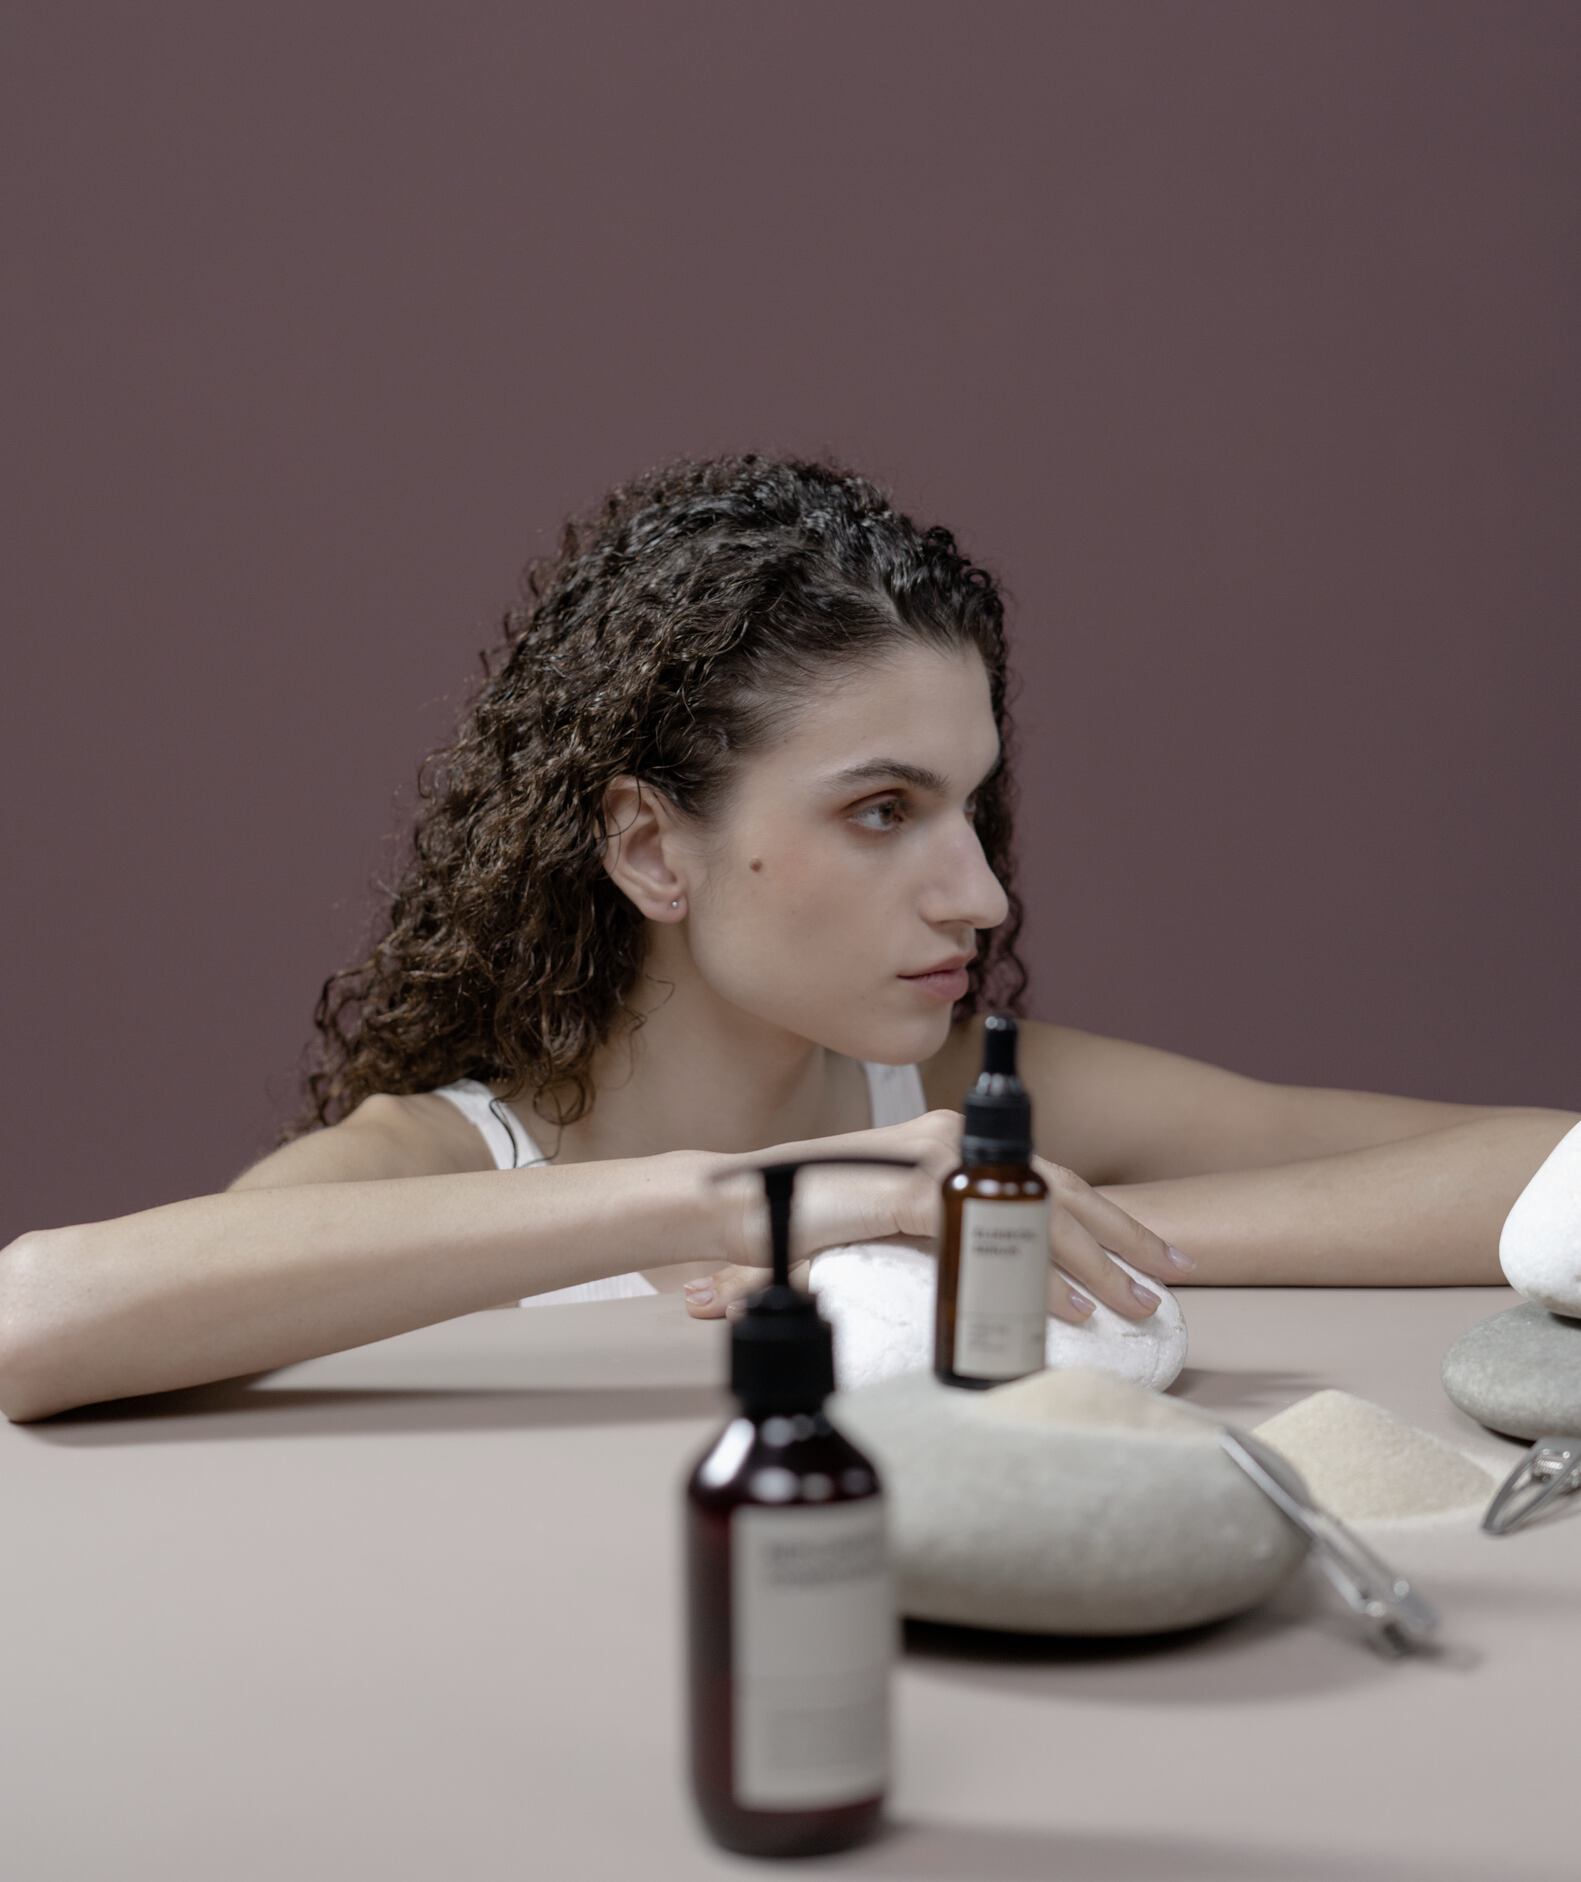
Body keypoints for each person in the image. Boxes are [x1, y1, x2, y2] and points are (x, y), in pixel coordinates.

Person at [0, 456, 1572, 1423]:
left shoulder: (950, 1111)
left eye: (969, 805)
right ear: (646, 846)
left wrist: (982, 1226)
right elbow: (39, 1323)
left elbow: (1551, 1177)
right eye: (881, 808)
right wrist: (745, 1210)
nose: (981, 894)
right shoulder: (449, 1159)